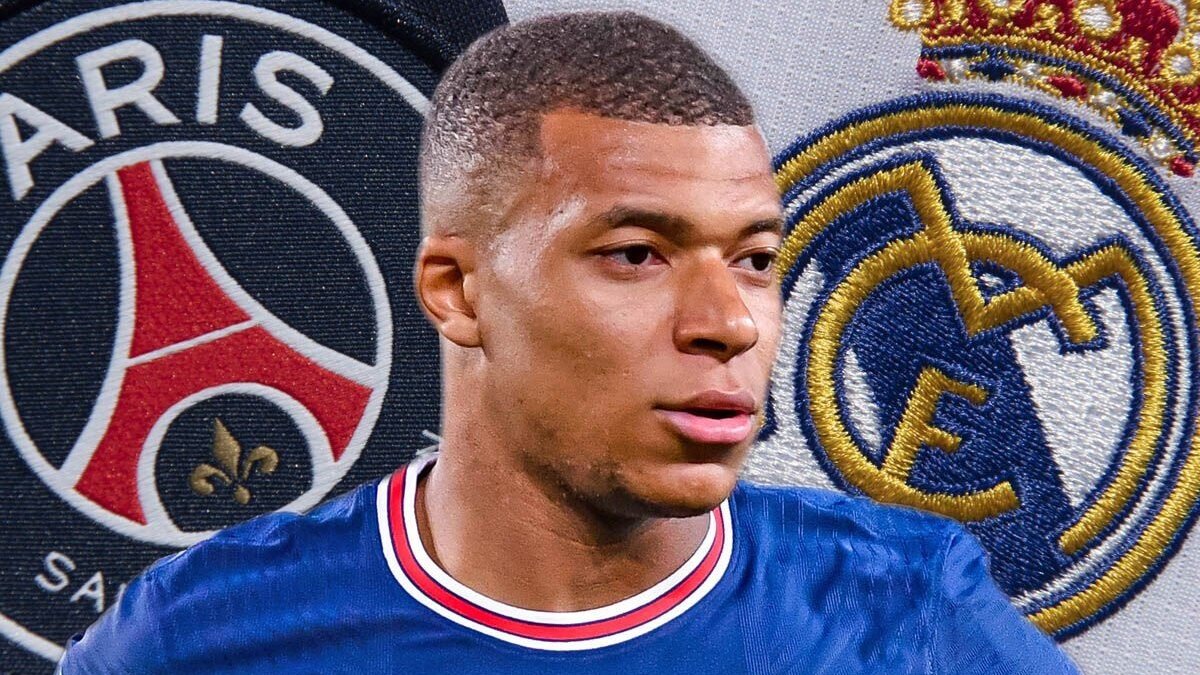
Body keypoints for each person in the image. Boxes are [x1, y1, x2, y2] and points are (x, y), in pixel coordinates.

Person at [58, 11, 1079, 674]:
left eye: (756, 259)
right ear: (458, 292)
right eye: (637, 254)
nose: (728, 321)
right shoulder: (199, 639)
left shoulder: (903, 609)